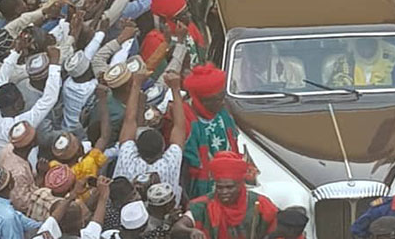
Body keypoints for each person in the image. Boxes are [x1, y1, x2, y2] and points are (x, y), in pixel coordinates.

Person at [112, 70, 185, 199]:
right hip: (164, 218)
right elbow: (179, 127)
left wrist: (136, 84)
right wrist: (175, 88)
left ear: (136, 149)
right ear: (163, 148)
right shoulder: (169, 164)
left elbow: (129, 120)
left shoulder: (127, 158)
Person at [172, 151, 279, 238]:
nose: (224, 192)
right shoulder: (202, 205)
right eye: (219, 187)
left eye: (229, 187)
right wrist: (190, 231)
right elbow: (177, 228)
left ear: (240, 184)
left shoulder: (261, 204)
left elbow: (281, 229)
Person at [182, 63, 239, 198]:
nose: (223, 102)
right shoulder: (186, 119)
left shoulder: (222, 112)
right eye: (218, 99)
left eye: (223, 96)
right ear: (202, 101)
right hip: (202, 190)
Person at [0, 164, 42, 239]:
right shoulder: (9, 218)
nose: (13, 178)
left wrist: (41, 225)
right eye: (11, 177)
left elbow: (19, 217)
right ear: (10, 185)